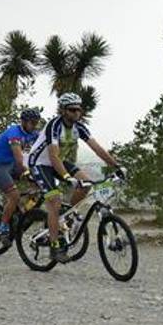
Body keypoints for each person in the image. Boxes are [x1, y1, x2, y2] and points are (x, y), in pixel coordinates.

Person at [27, 92, 124, 262]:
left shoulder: (79, 127)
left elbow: (97, 149)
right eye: (72, 110)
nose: (77, 113)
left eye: (79, 110)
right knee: (54, 201)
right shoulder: (54, 126)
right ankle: (54, 247)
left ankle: (66, 216)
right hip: (40, 164)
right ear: (63, 111)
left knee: (86, 184)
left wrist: (116, 166)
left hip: (58, 161)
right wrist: (67, 176)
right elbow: (53, 156)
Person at [0, 108, 43, 240]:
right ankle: (3, 226)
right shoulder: (14, 133)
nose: (34, 126)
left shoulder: (32, 133)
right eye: (32, 123)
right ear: (24, 122)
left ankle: (18, 211)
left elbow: (44, 143)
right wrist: (26, 172)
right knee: (14, 195)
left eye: (36, 123)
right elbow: (19, 159)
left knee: (40, 185)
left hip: (10, 164)